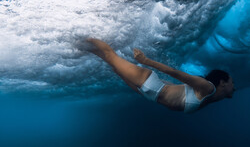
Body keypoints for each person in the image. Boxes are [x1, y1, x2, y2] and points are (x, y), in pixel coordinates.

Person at [86, 38, 236, 113]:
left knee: (114, 66)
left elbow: (177, 91)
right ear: (222, 82)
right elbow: (176, 74)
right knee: (111, 56)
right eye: (232, 83)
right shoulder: (207, 88)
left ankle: (83, 47)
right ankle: (82, 36)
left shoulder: (211, 98)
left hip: (150, 93)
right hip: (150, 85)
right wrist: (145, 61)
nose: (234, 87)